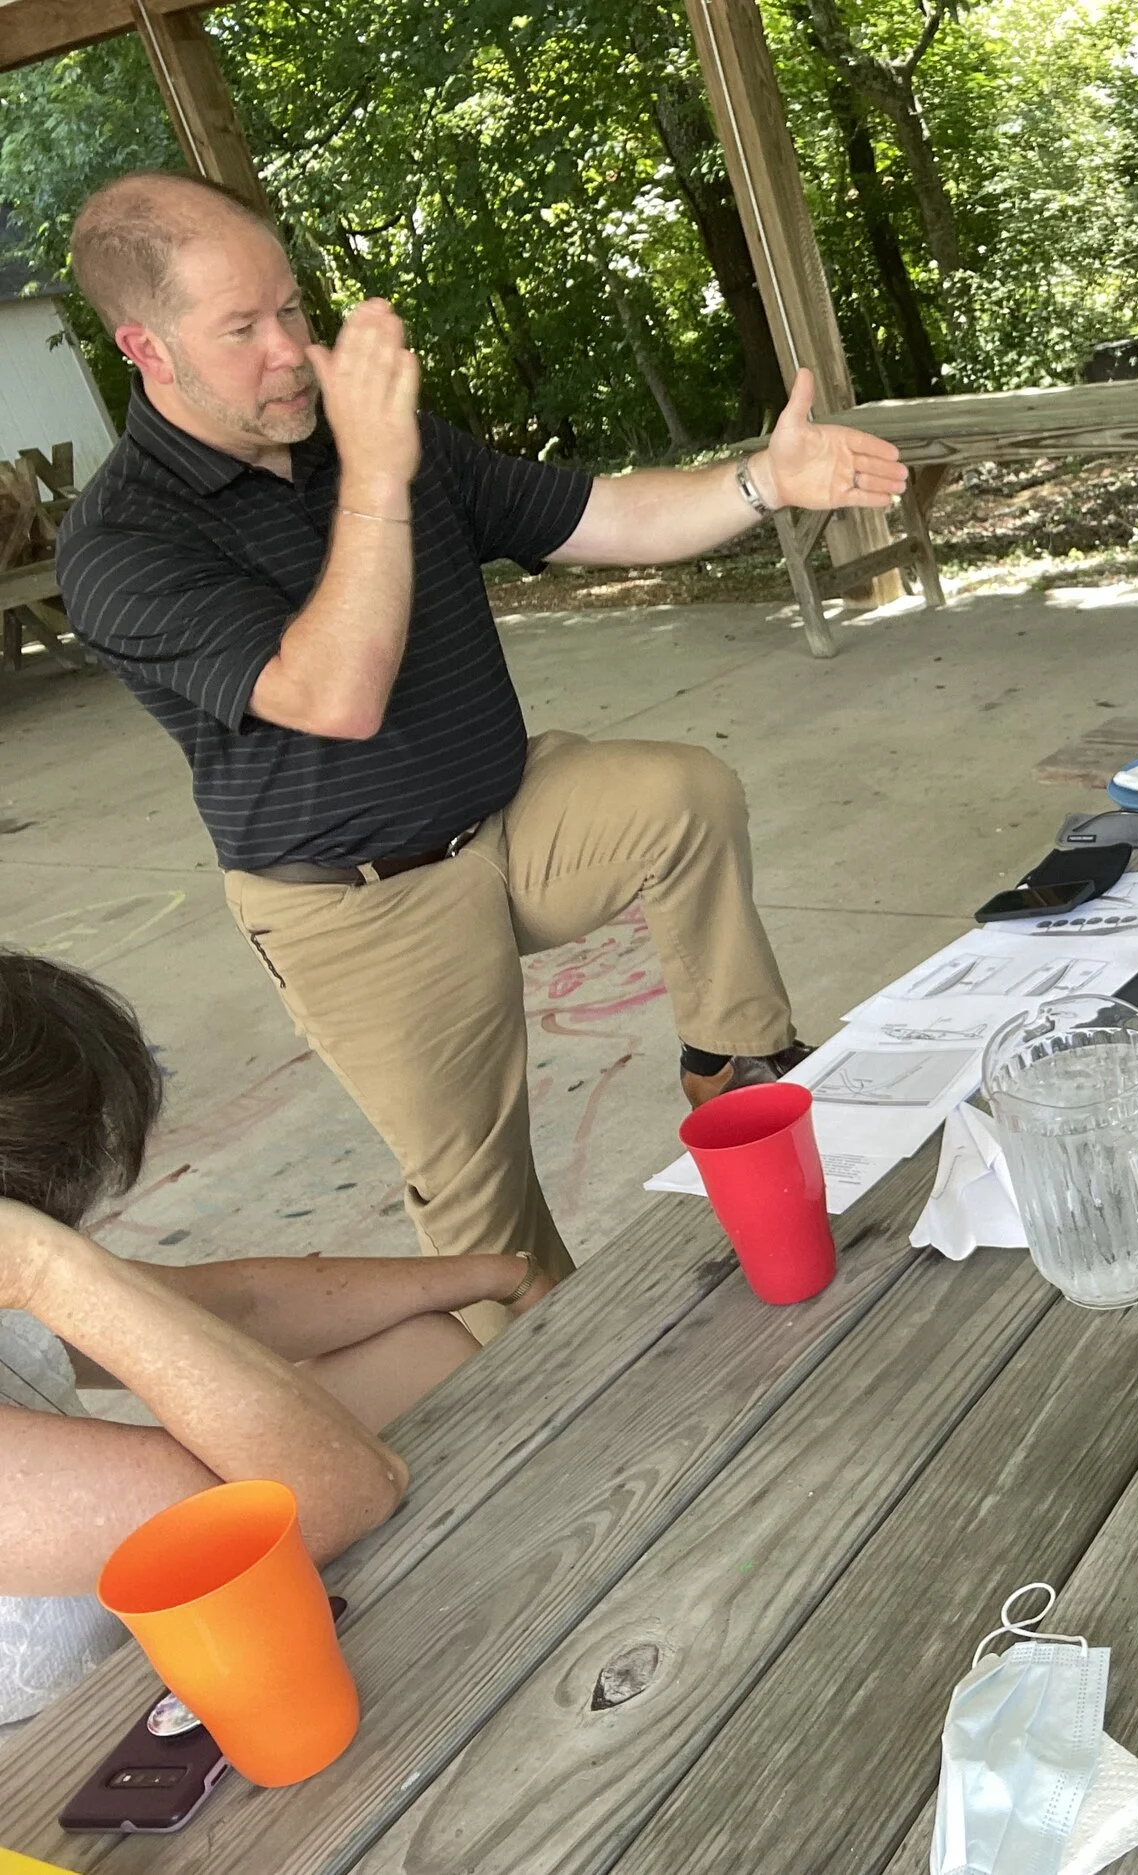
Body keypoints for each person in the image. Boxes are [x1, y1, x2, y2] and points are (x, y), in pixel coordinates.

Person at [55, 172, 909, 1334]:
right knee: (487, 1233)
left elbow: (605, 517)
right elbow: (334, 695)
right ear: (145, 348)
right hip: (357, 904)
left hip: (506, 816)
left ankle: (733, 1063)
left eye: (294, 309)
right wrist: (376, 474)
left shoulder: (362, 444)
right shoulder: (123, 541)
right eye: (243, 329)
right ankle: (553, 1414)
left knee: (680, 793)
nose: (291, 352)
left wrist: (763, 482)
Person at [0, 950, 534, 1725]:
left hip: (168, 1622)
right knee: (360, 1470)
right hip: (83, 1757)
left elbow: (239, 1304)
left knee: (417, 1345)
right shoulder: (34, 1267)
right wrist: (50, 1269)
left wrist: (496, 1275)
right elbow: (329, 1499)